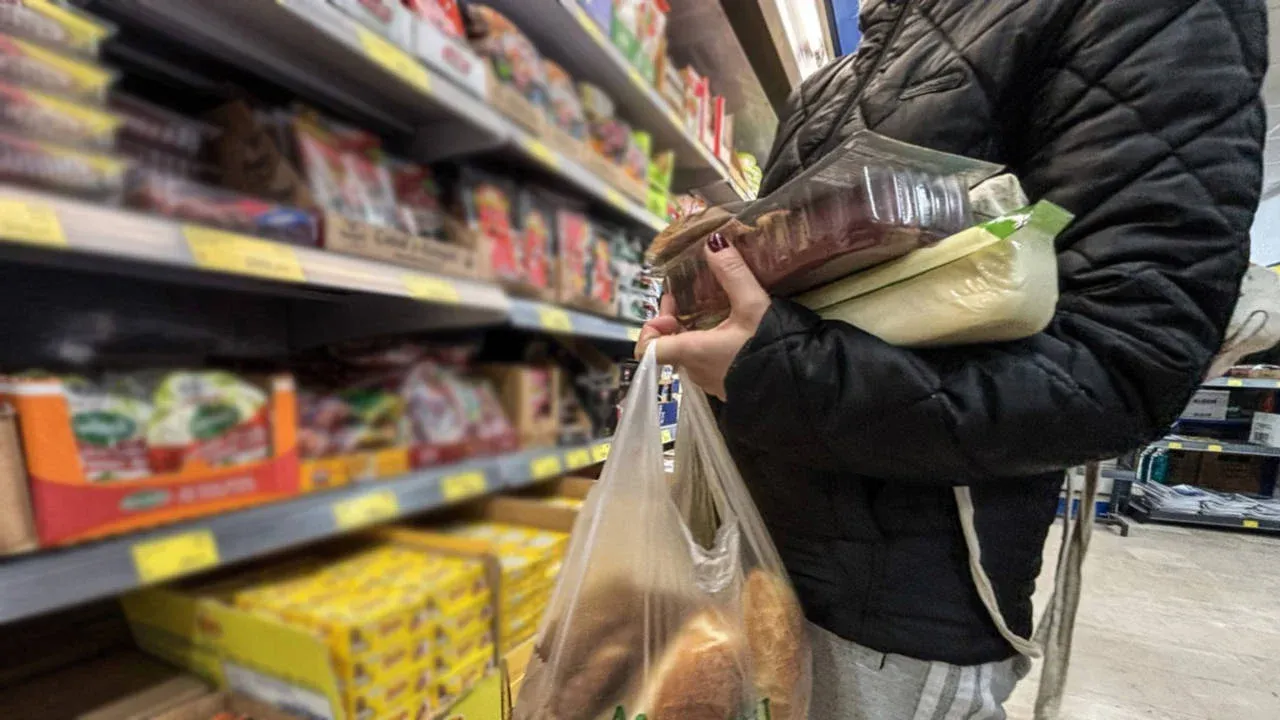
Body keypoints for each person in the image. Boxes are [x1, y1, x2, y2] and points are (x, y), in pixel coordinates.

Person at [636, 1, 1267, 718]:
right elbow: (806, 310)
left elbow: (1123, 371)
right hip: (753, 566)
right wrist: (714, 311)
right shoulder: (830, 84)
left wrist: (771, 370)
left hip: (892, 620)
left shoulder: (1146, 14)